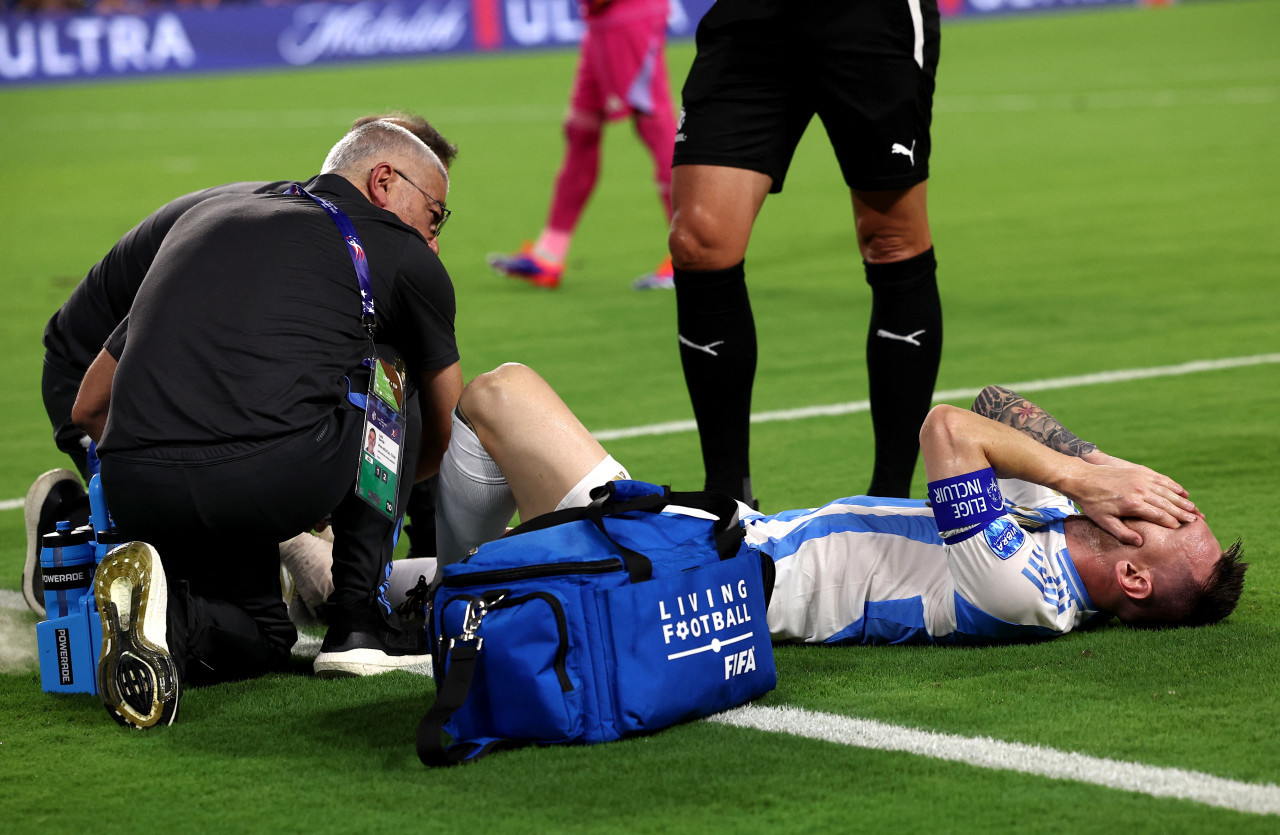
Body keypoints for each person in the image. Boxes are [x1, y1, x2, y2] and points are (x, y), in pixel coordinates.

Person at [72, 121, 461, 729]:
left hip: (137, 483)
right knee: (392, 371)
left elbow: (89, 405)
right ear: (383, 182)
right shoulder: (401, 254)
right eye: (435, 215)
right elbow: (442, 430)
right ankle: (359, 624)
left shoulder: (211, 215)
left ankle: (167, 623)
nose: (433, 239)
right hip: (276, 475)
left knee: (266, 635)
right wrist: (342, 485)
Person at [425, 363, 1246, 645]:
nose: (1155, 494)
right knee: (430, 575)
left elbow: (949, 429)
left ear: (1134, 578)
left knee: (501, 394)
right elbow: (999, 400)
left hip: (694, 581)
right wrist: (1099, 465)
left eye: (1170, 516)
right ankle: (410, 594)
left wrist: (1085, 476)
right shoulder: (1057, 521)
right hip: (716, 544)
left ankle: (448, 597)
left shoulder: (1030, 586)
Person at [666, 0, 944, 505]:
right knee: (698, 242)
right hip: (753, 16)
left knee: (890, 238)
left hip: (869, 17)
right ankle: (729, 502)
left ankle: (890, 501)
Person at [486, 0, 677, 290]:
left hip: (629, 15)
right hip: (600, 18)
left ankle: (689, 254)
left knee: (653, 123)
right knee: (581, 130)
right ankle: (549, 254)